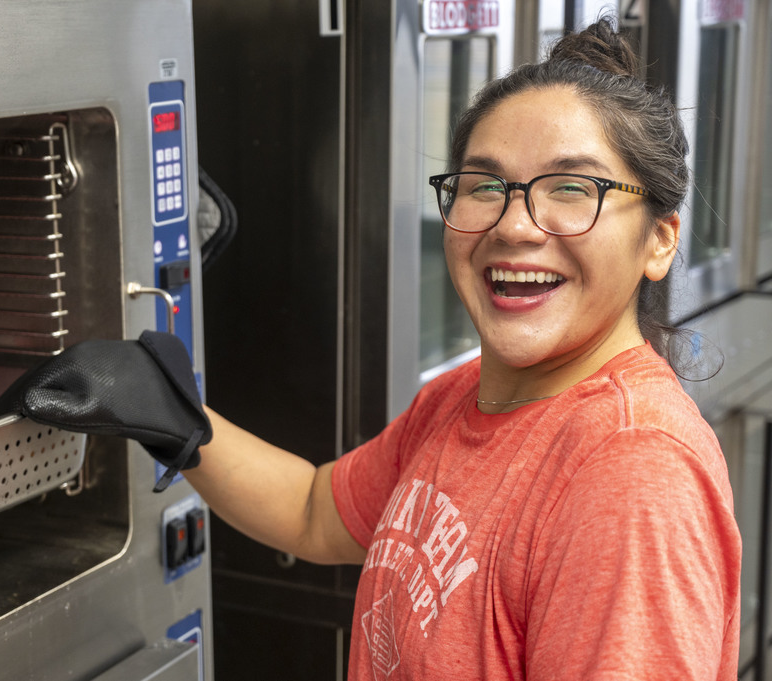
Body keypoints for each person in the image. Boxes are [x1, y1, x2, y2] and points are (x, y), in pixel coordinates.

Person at [184, 18, 742, 680]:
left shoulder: (630, 472)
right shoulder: (462, 398)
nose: (512, 225)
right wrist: (179, 425)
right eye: (485, 186)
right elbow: (312, 509)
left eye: (572, 189)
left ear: (659, 239)